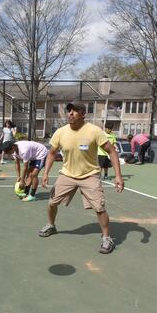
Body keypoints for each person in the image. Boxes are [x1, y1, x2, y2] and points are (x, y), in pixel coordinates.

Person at [39, 103, 124, 254]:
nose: (70, 114)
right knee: (52, 202)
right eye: (69, 111)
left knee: (99, 208)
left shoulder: (94, 131)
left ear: (83, 113)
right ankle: (51, 225)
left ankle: (106, 238)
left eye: (74, 111)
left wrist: (118, 175)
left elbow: (111, 151)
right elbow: (51, 153)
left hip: (89, 175)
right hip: (67, 174)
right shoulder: (60, 132)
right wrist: (45, 173)